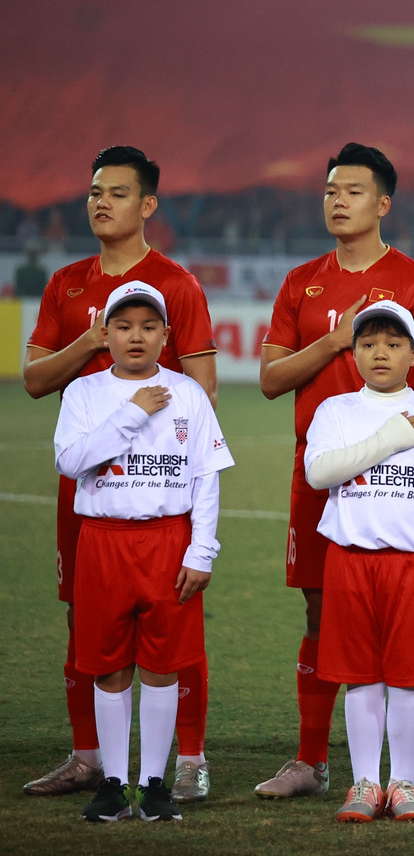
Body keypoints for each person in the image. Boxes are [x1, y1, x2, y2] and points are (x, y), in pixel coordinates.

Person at [255, 144, 414, 802]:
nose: (338, 201)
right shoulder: (301, 283)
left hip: (401, 486)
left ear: (383, 203)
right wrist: (332, 342)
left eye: (353, 191)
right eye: (330, 191)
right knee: (320, 614)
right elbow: (270, 380)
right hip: (322, 476)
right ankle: (311, 760)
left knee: (412, 618)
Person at [23, 147, 219, 804]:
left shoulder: (177, 284)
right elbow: (33, 379)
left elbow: (203, 390)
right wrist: (87, 341)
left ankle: (188, 758)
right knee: (83, 617)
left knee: (177, 617)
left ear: (148, 204)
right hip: (87, 483)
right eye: (94, 192)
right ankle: (89, 758)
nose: (101, 202)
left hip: (156, 484)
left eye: (117, 192)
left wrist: (162, 454)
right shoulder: (66, 284)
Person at [53, 282, 233, 822]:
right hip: (102, 540)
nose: (136, 336)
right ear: (105, 333)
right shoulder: (83, 393)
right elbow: (71, 461)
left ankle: (153, 784)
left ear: (166, 335)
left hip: (168, 540)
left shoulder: (188, 393)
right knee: (107, 666)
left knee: (162, 666)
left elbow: (206, 476)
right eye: (124, 326)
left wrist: (202, 551)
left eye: (149, 326)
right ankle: (113, 783)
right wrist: (131, 413)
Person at [303, 300, 414, 823]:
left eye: (392, 343)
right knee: (360, 677)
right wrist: (391, 438)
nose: (379, 353)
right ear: (353, 352)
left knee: (411, 678)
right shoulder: (335, 411)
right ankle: (365, 783)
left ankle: (404, 783)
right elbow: (320, 473)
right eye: (367, 343)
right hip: (351, 560)